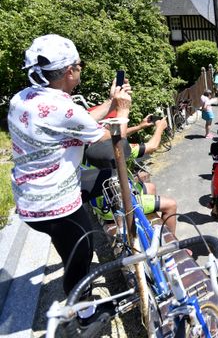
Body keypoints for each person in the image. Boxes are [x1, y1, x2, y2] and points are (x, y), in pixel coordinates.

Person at [9, 34, 131, 313]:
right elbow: (113, 135)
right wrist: (123, 109)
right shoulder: (63, 109)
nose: (80, 69)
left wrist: (111, 103)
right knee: (81, 252)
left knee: (102, 182)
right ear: (69, 71)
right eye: (80, 65)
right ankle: (85, 312)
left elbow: (78, 119)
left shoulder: (22, 98)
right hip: (54, 206)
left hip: (31, 197)